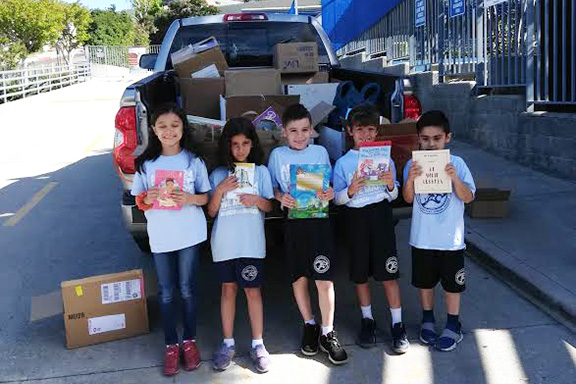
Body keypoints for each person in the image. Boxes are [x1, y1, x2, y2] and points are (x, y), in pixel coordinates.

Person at [131, 104, 210, 376]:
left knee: (187, 289)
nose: (169, 131)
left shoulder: (193, 160)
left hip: (189, 233)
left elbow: (206, 197)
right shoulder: (146, 164)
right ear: (153, 129)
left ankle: (189, 341)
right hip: (162, 235)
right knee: (166, 292)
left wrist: (189, 199)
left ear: (183, 127)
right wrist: (147, 199)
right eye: (162, 126)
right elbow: (138, 199)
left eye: (174, 125)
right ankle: (170, 345)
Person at [267, 104, 348, 365]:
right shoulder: (277, 156)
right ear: (284, 132)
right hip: (293, 224)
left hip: (319, 223)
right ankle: (309, 325)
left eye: (304, 129)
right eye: (293, 131)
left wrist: (329, 193)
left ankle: (328, 331)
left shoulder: (321, 151)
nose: (299, 136)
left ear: (312, 130)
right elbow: (272, 189)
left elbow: (330, 187)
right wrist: (282, 197)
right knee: (299, 277)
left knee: (324, 279)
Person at [333, 104, 410, 354]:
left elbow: (394, 193)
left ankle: (398, 324)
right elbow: (336, 198)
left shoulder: (384, 158)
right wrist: (351, 190)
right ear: (349, 131)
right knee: (360, 275)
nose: (365, 135)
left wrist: (390, 185)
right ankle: (368, 321)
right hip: (356, 219)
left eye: (370, 130)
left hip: (381, 217)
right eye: (360, 130)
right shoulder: (343, 163)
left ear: (377, 132)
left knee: (389, 274)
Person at [402, 110, 476, 352]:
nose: (431, 144)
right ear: (418, 139)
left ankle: (453, 324)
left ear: (448, 138)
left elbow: (468, 197)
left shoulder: (458, 164)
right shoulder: (413, 165)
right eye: (425, 138)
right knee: (425, 283)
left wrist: (455, 179)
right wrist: (410, 179)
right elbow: (408, 198)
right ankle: (428, 320)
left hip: (450, 241)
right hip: (422, 238)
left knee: (452, 286)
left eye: (436, 138)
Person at [207, 117, 274, 373]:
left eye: (245, 144)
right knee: (228, 290)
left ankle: (259, 344)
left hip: (251, 244)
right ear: (227, 146)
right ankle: (228, 343)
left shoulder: (262, 172)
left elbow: (269, 206)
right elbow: (211, 212)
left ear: (252, 145)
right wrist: (221, 190)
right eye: (235, 144)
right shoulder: (218, 175)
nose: (240, 150)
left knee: (253, 291)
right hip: (224, 244)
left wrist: (257, 199)